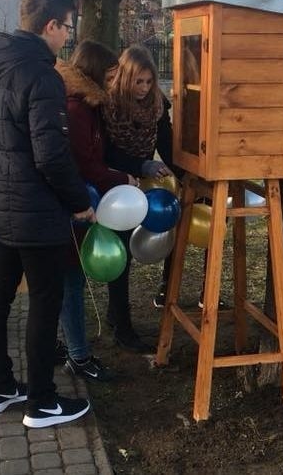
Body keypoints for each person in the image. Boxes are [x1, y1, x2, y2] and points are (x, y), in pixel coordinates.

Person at [0, 0, 94, 428]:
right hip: (36, 211)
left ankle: (0, 387)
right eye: (67, 29)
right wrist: (79, 203)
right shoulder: (42, 75)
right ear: (50, 25)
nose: (69, 38)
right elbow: (51, 154)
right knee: (46, 299)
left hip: (1, 207)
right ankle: (42, 401)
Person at [56, 40, 141, 381]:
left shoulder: (87, 107)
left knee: (67, 281)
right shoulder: (76, 111)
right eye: (109, 75)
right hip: (73, 205)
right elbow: (86, 164)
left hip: (77, 201)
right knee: (70, 282)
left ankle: (66, 347)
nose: (112, 83)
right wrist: (124, 178)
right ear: (92, 73)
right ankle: (77, 356)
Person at [102, 45, 174, 353]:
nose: (144, 89)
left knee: (129, 250)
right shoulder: (107, 106)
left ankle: (115, 315)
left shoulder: (158, 104)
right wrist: (139, 166)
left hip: (141, 182)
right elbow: (105, 151)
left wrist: (182, 175)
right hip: (114, 181)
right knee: (120, 254)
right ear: (125, 78)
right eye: (138, 82)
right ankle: (122, 326)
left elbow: (168, 145)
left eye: (149, 82)